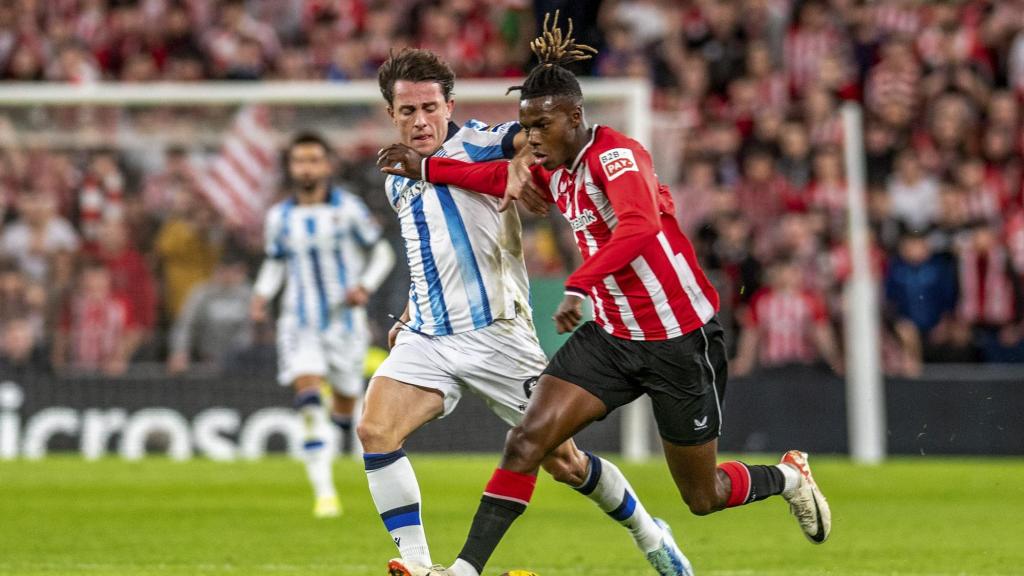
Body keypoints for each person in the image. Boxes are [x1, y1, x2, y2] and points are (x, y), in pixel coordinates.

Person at [379, 13, 831, 576]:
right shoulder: (556, 171)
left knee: (703, 495)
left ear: (575, 117)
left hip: (677, 339)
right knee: (527, 442)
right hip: (612, 337)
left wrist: (578, 284)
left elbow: (638, 228)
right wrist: (426, 167)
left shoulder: (616, 154)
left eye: (542, 128)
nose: (532, 141)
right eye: (527, 128)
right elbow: (496, 178)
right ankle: (463, 571)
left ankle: (788, 476)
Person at [366, 47, 686, 576]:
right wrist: (408, 310)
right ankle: (419, 566)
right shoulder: (396, 174)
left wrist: (521, 159)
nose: (420, 121)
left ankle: (650, 534)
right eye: (407, 111)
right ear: (391, 115)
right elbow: (434, 250)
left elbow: (534, 143)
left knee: (566, 463)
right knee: (375, 430)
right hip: (428, 334)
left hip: (500, 336)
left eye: (429, 107)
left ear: (449, 105)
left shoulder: (481, 141)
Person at [250, 132, 395, 518]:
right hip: (298, 322)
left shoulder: (347, 209)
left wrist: (364, 287)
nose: (307, 167)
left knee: (346, 400)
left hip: (344, 324)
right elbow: (275, 261)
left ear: (327, 165)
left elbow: (381, 252)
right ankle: (324, 494)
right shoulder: (278, 216)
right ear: (291, 167)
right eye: (300, 161)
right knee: (309, 398)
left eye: (314, 160)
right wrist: (263, 294)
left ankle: (342, 430)